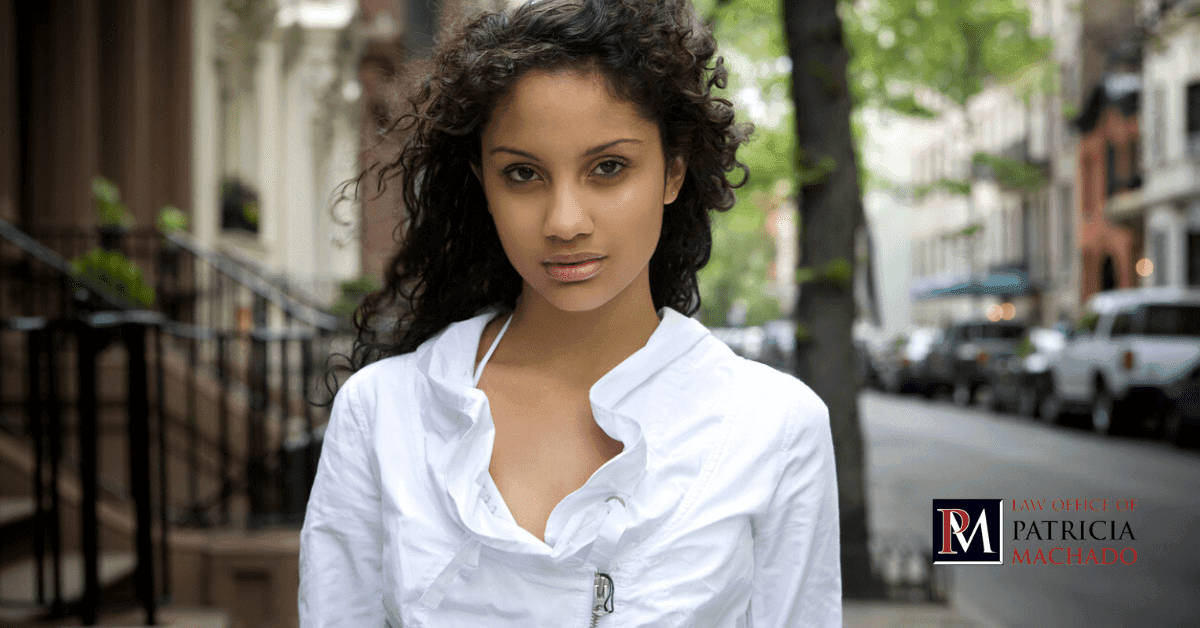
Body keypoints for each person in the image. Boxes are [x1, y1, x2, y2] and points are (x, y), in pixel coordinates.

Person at [299, 0, 841, 626]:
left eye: (608, 168)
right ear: (483, 183)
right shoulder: (382, 414)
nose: (564, 222)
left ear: (673, 171)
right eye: (523, 174)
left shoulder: (774, 427)